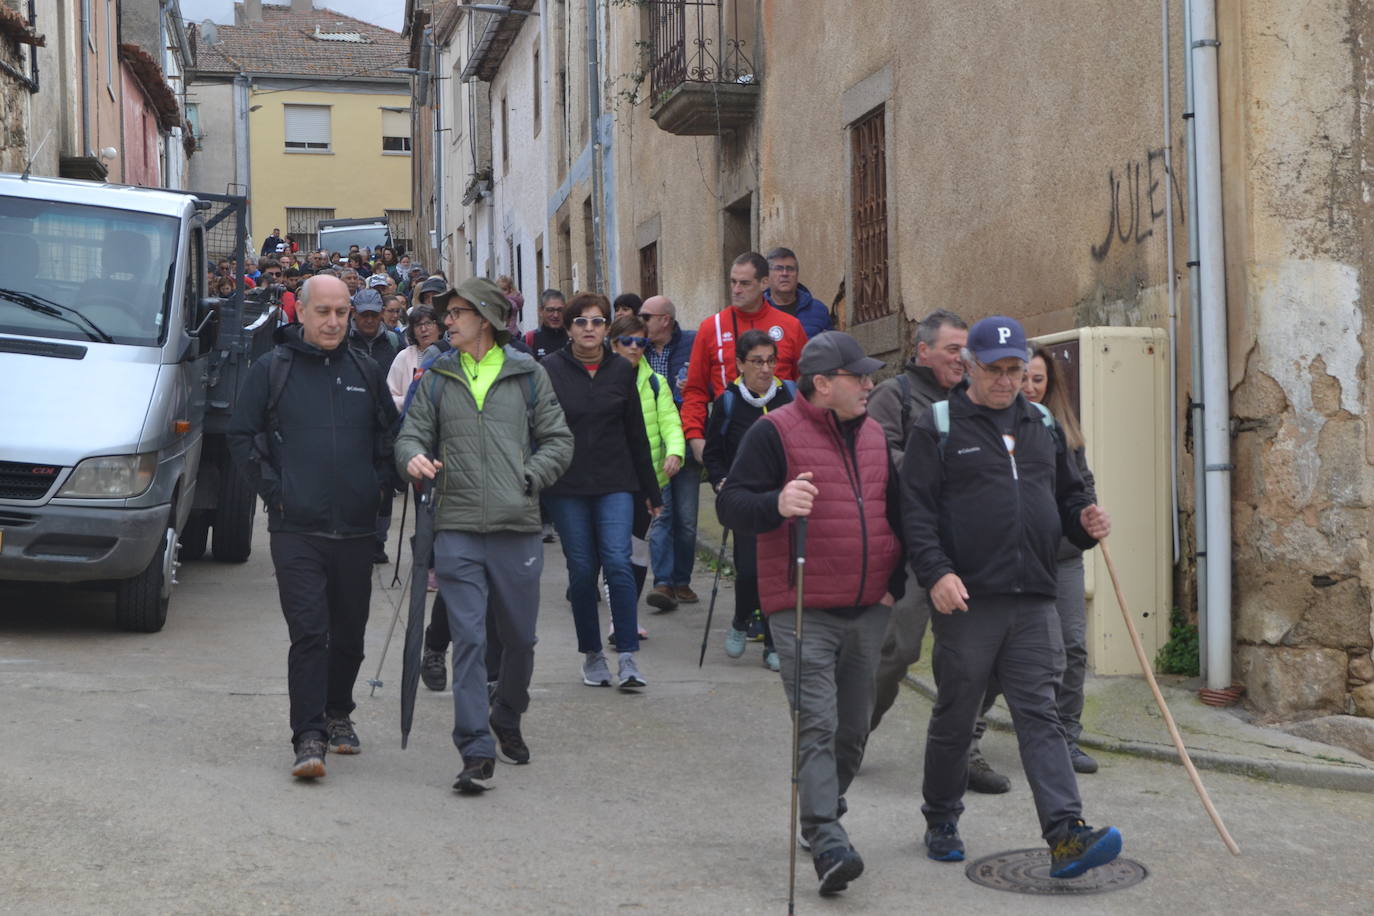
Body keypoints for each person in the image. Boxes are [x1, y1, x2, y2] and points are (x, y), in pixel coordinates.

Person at [901, 315, 1120, 877]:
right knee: (957, 714)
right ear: (968, 366)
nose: (1006, 381)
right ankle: (942, 817)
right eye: (994, 370)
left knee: (1040, 716)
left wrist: (1084, 524)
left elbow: (1069, 501)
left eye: (1015, 370)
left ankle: (1065, 834)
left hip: (1033, 597)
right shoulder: (940, 424)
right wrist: (936, 574)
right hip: (967, 598)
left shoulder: (1042, 424)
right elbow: (917, 514)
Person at [717, 331, 903, 897]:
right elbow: (730, 504)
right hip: (801, 610)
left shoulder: (874, 435)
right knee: (818, 724)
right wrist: (776, 503)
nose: (871, 384)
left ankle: (824, 806)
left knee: (852, 731)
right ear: (823, 384)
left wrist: (895, 583)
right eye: (859, 377)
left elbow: (900, 513)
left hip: (870, 608)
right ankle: (827, 839)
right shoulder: (774, 433)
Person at [395, 277, 573, 794]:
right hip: (456, 528)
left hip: (516, 527)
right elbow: (410, 433)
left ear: (486, 319)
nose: (445, 322)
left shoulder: (527, 374)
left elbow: (559, 440)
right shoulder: (437, 375)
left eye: (455, 313)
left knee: (519, 638)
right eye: (445, 314)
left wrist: (528, 476)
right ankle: (475, 747)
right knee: (469, 638)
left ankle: (508, 712)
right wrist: (413, 457)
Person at [227, 275, 398, 780]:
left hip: (355, 529)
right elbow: (241, 434)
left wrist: (378, 486)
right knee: (310, 632)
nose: (334, 321)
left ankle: (338, 712)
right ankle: (308, 736)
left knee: (350, 636)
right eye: (323, 311)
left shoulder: (366, 372)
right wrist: (276, 493)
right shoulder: (271, 369)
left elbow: (391, 437)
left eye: (342, 312)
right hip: (296, 528)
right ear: (300, 312)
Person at [864, 310, 1014, 791]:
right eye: (952, 349)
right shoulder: (895, 396)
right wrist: (939, 463)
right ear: (922, 350)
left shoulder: (974, 400)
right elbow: (877, 456)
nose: (961, 358)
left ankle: (964, 749)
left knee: (978, 658)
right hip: (912, 548)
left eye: (966, 350)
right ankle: (852, 730)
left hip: (970, 553)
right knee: (898, 649)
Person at [541, 292, 663, 690]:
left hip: (616, 483)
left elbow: (636, 435)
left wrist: (651, 490)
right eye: (581, 321)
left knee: (618, 560)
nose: (589, 329)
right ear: (569, 327)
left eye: (597, 321)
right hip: (567, 485)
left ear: (607, 327)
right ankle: (592, 654)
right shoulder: (549, 370)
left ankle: (627, 656)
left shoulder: (621, 372)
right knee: (581, 572)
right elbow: (538, 430)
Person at [1021, 346, 1099, 775]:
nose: (1031, 387)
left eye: (1039, 380)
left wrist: (1090, 514)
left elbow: (1082, 486)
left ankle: (1067, 737)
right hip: (1015, 560)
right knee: (1004, 656)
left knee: (1072, 647)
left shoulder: (1065, 430)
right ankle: (969, 737)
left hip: (1064, 557)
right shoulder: (1000, 430)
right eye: (1024, 378)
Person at [702, 328, 795, 671]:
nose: (766, 369)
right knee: (750, 571)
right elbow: (713, 454)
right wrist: (721, 481)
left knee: (778, 572)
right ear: (740, 364)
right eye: (757, 362)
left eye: (771, 361)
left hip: (783, 499)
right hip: (745, 500)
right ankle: (742, 618)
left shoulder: (790, 397)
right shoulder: (729, 402)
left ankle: (773, 643)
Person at [680, 251, 808, 467]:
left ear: (764, 283)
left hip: (783, 437)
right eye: (733, 282)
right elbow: (695, 389)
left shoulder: (790, 326)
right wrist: (695, 437)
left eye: (745, 283)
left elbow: (806, 385)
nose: (736, 289)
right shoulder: (712, 327)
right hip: (730, 439)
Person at [608, 314, 684, 605]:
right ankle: (615, 607)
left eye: (640, 342)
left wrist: (675, 452)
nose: (634, 348)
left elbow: (670, 422)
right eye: (627, 341)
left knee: (638, 546)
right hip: (611, 480)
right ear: (614, 344)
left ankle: (629, 603)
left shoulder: (655, 382)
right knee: (614, 547)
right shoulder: (600, 380)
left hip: (648, 479)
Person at [638, 295, 699, 609]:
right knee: (662, 516)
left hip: (687, 438)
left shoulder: (693, 343)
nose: (641, 321)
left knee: (687, 520)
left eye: (646, 316)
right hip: (655, 445)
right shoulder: (638, 348)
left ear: (666, 319)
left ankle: (681, 581)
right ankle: (662, 584)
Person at [348, 289, 404, 563]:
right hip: (352, 426)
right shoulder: (343, 343)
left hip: (385, 427)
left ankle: (378, 542)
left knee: (384, 487)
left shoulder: (394, 342)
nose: (369, 320)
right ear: (354, 315)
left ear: (381, 314)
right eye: (364, 315)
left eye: (373, 315)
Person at [763, 247, 833, 338]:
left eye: (790, 269)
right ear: (767, 275)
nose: (785, 273)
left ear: (797, 274)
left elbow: (830, 348)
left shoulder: (818, 310)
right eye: (778, 269)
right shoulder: (758, 309)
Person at [386, 303, 442, 410]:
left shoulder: (449, 353)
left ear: (439, 328)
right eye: (418, 325)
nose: (423, 329)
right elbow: (389, 397)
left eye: (428, 323)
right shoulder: (403, 357)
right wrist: (410, 400)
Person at [524, 289, 569, 360]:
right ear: (541, 311)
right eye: (550, 310)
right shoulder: (530, 339)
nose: (556, 315)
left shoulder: (573, 339)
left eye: (560, 310)